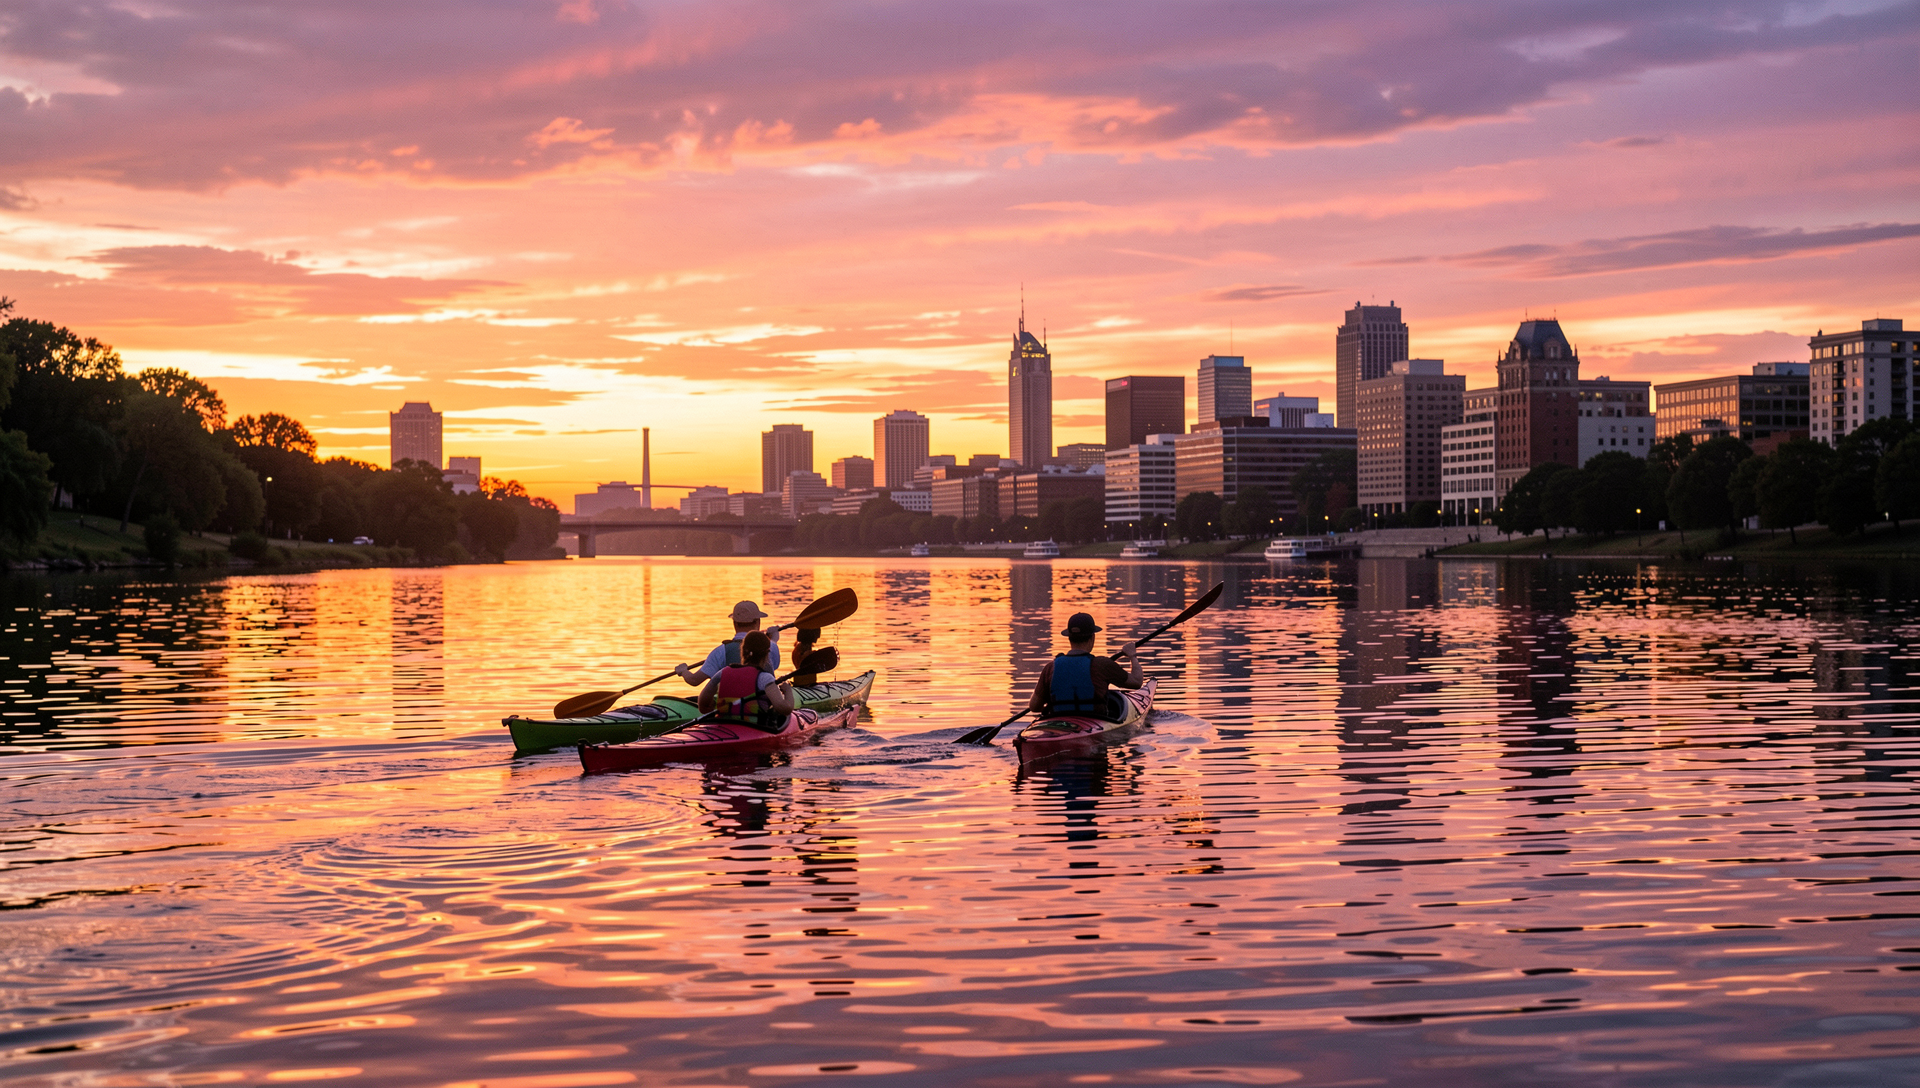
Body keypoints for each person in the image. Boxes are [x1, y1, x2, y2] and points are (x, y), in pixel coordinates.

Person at [1024, 612, 1143, 720]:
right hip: (1094, 722)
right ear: (1092, 637)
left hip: (1058, 723)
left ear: (1069, 638)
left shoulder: (1050, 667)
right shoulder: (1102, 665)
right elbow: (1137, 682)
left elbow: (1034, 707)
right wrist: (1132, 656)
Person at [698, 630, 795, 726]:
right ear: (767, 654)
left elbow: (702, 705)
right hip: (754, 729)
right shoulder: (765, 679)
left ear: (742, 650)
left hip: (723, 728)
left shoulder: (722, 673)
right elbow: (784, 709)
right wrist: (787, 690)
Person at [676, 600, 782, 687]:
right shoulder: (771, 646)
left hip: (731, 707)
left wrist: (683, 671)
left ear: (734, 623)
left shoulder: (720, 651)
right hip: (763, 707)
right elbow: (771, 659)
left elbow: (694, 680)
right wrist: (773, 638)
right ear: (758, 622)